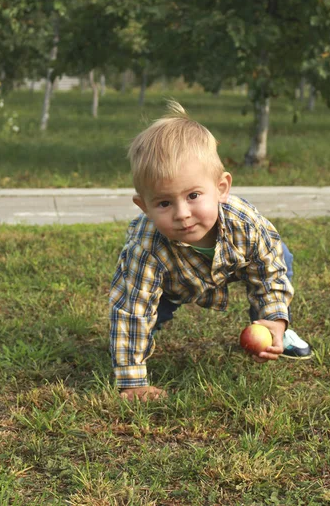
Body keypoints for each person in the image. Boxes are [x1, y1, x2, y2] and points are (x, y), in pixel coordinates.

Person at [109, 102, 312, 402]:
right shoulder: (145, 247)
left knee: (282, 255)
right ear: (144, 207)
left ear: (221, 188)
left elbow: (269, 270)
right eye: (164, 203)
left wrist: (273, 316)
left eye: (193, 196)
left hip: (233, 262)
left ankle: (272, 330)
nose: (182, 214)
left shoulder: (245, 224)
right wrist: (132, 380)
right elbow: (131, 309)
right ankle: (131, 355)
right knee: (143, 322)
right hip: (170, 281)